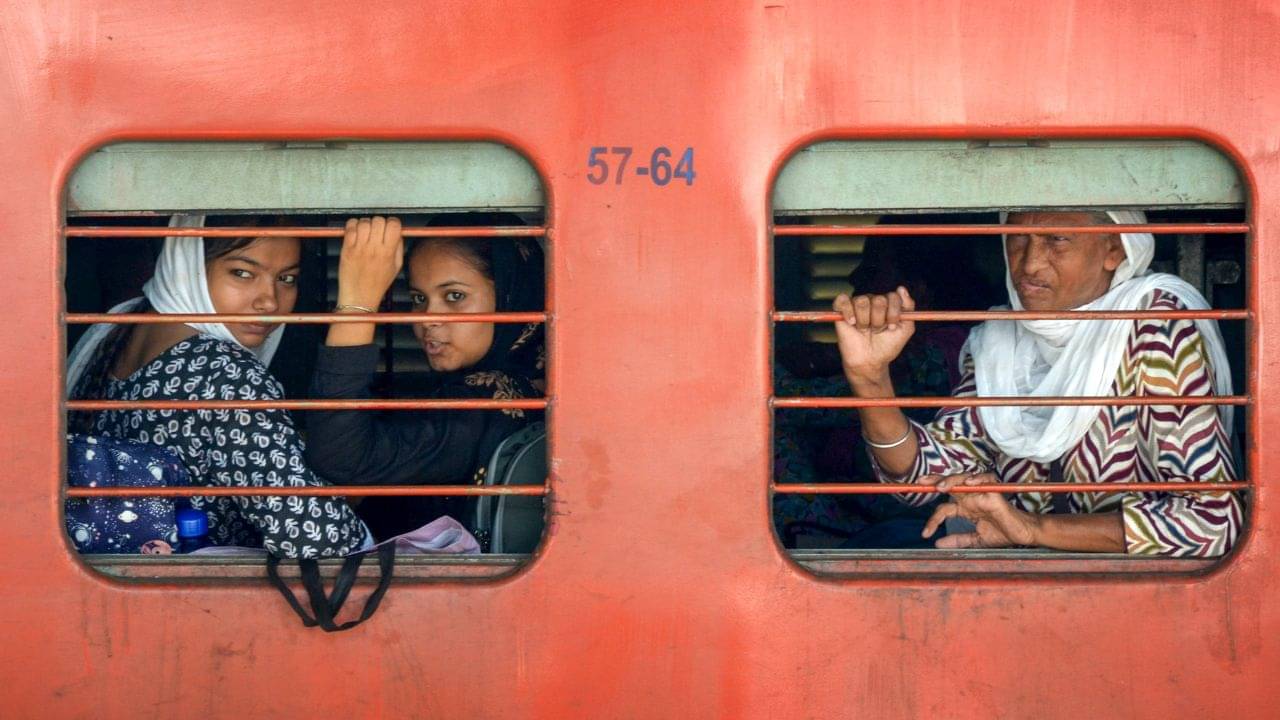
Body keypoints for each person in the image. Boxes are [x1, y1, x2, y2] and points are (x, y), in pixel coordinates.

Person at [833, 210, 1241, 556]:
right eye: (1017, 238)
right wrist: (870, 380)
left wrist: (1032, 529)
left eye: (1057, 240)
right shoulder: (1000, 338)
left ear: (1113, 249)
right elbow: (921, 479)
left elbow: (1212, 520)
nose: (1028, 264)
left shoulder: (1154, 326)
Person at [66, 215, 370, 558]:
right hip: (207, 596)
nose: (269, 301)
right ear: (189, 266)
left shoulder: (116, 327)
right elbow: (317, 536)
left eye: (286, 279)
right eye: (242, 273)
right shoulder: (226, 374)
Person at [305, 217, 545, 541]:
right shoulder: (530, 384)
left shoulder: (481, 405)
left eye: (455, 297)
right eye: (419, 299)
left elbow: (341, 456)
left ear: (510, 295)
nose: (426, 319)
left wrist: (357, 303)